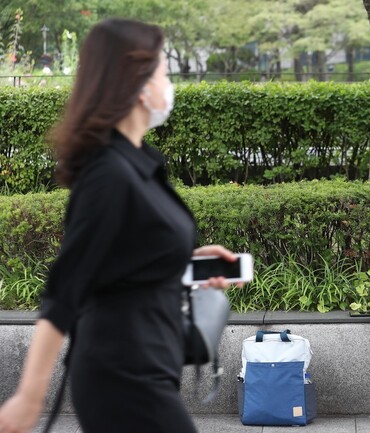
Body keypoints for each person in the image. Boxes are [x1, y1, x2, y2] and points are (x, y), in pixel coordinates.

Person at [0, 18, 238, 433]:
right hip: (122, 376)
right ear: (140, 83)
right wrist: (28, 400)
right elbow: (66, 287)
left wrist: (187, 259)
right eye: (164, 71)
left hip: (147, 367)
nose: (169, 83)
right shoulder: (109, 174)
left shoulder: (137, 162)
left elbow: (126, 256)